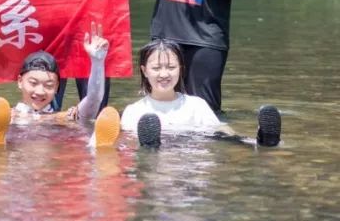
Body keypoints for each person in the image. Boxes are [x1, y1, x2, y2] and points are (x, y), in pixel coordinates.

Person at [0, 8, 121, 147]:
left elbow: (93, 100)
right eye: (33, 83)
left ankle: (95, 145)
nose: (40, 91)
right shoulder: (2, 114)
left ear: (58, 87)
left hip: (53, 159)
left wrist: (98, 61)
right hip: (14, 157)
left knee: (84, 131)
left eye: (49, 85)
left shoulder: (64, 118)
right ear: (20, 81)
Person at [120, 39, 282, 148]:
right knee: (150, 149)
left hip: (191, 157)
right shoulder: (134, 111)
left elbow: (220, 128)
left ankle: (263, 141)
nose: (164, 74)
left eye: (171, 67)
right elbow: (125, 142)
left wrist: (242, 139)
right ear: (145, 71)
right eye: (156, 68)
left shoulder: (195, 105)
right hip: (163, 155)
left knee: (221, 136)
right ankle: (151, 149)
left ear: (181, 70)